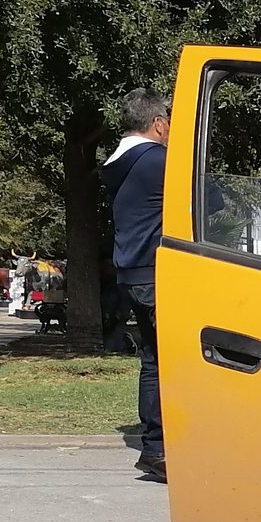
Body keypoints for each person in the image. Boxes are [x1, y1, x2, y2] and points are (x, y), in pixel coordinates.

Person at [101, 88, 173, 481]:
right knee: (171, 363)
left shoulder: (118, 163)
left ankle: (155, 446)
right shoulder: (157, 161)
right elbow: (209, 200)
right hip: (156, 273)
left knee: (153, 361)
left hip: (130, 272)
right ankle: (159, 449)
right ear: (158, 123)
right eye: (168, 124)